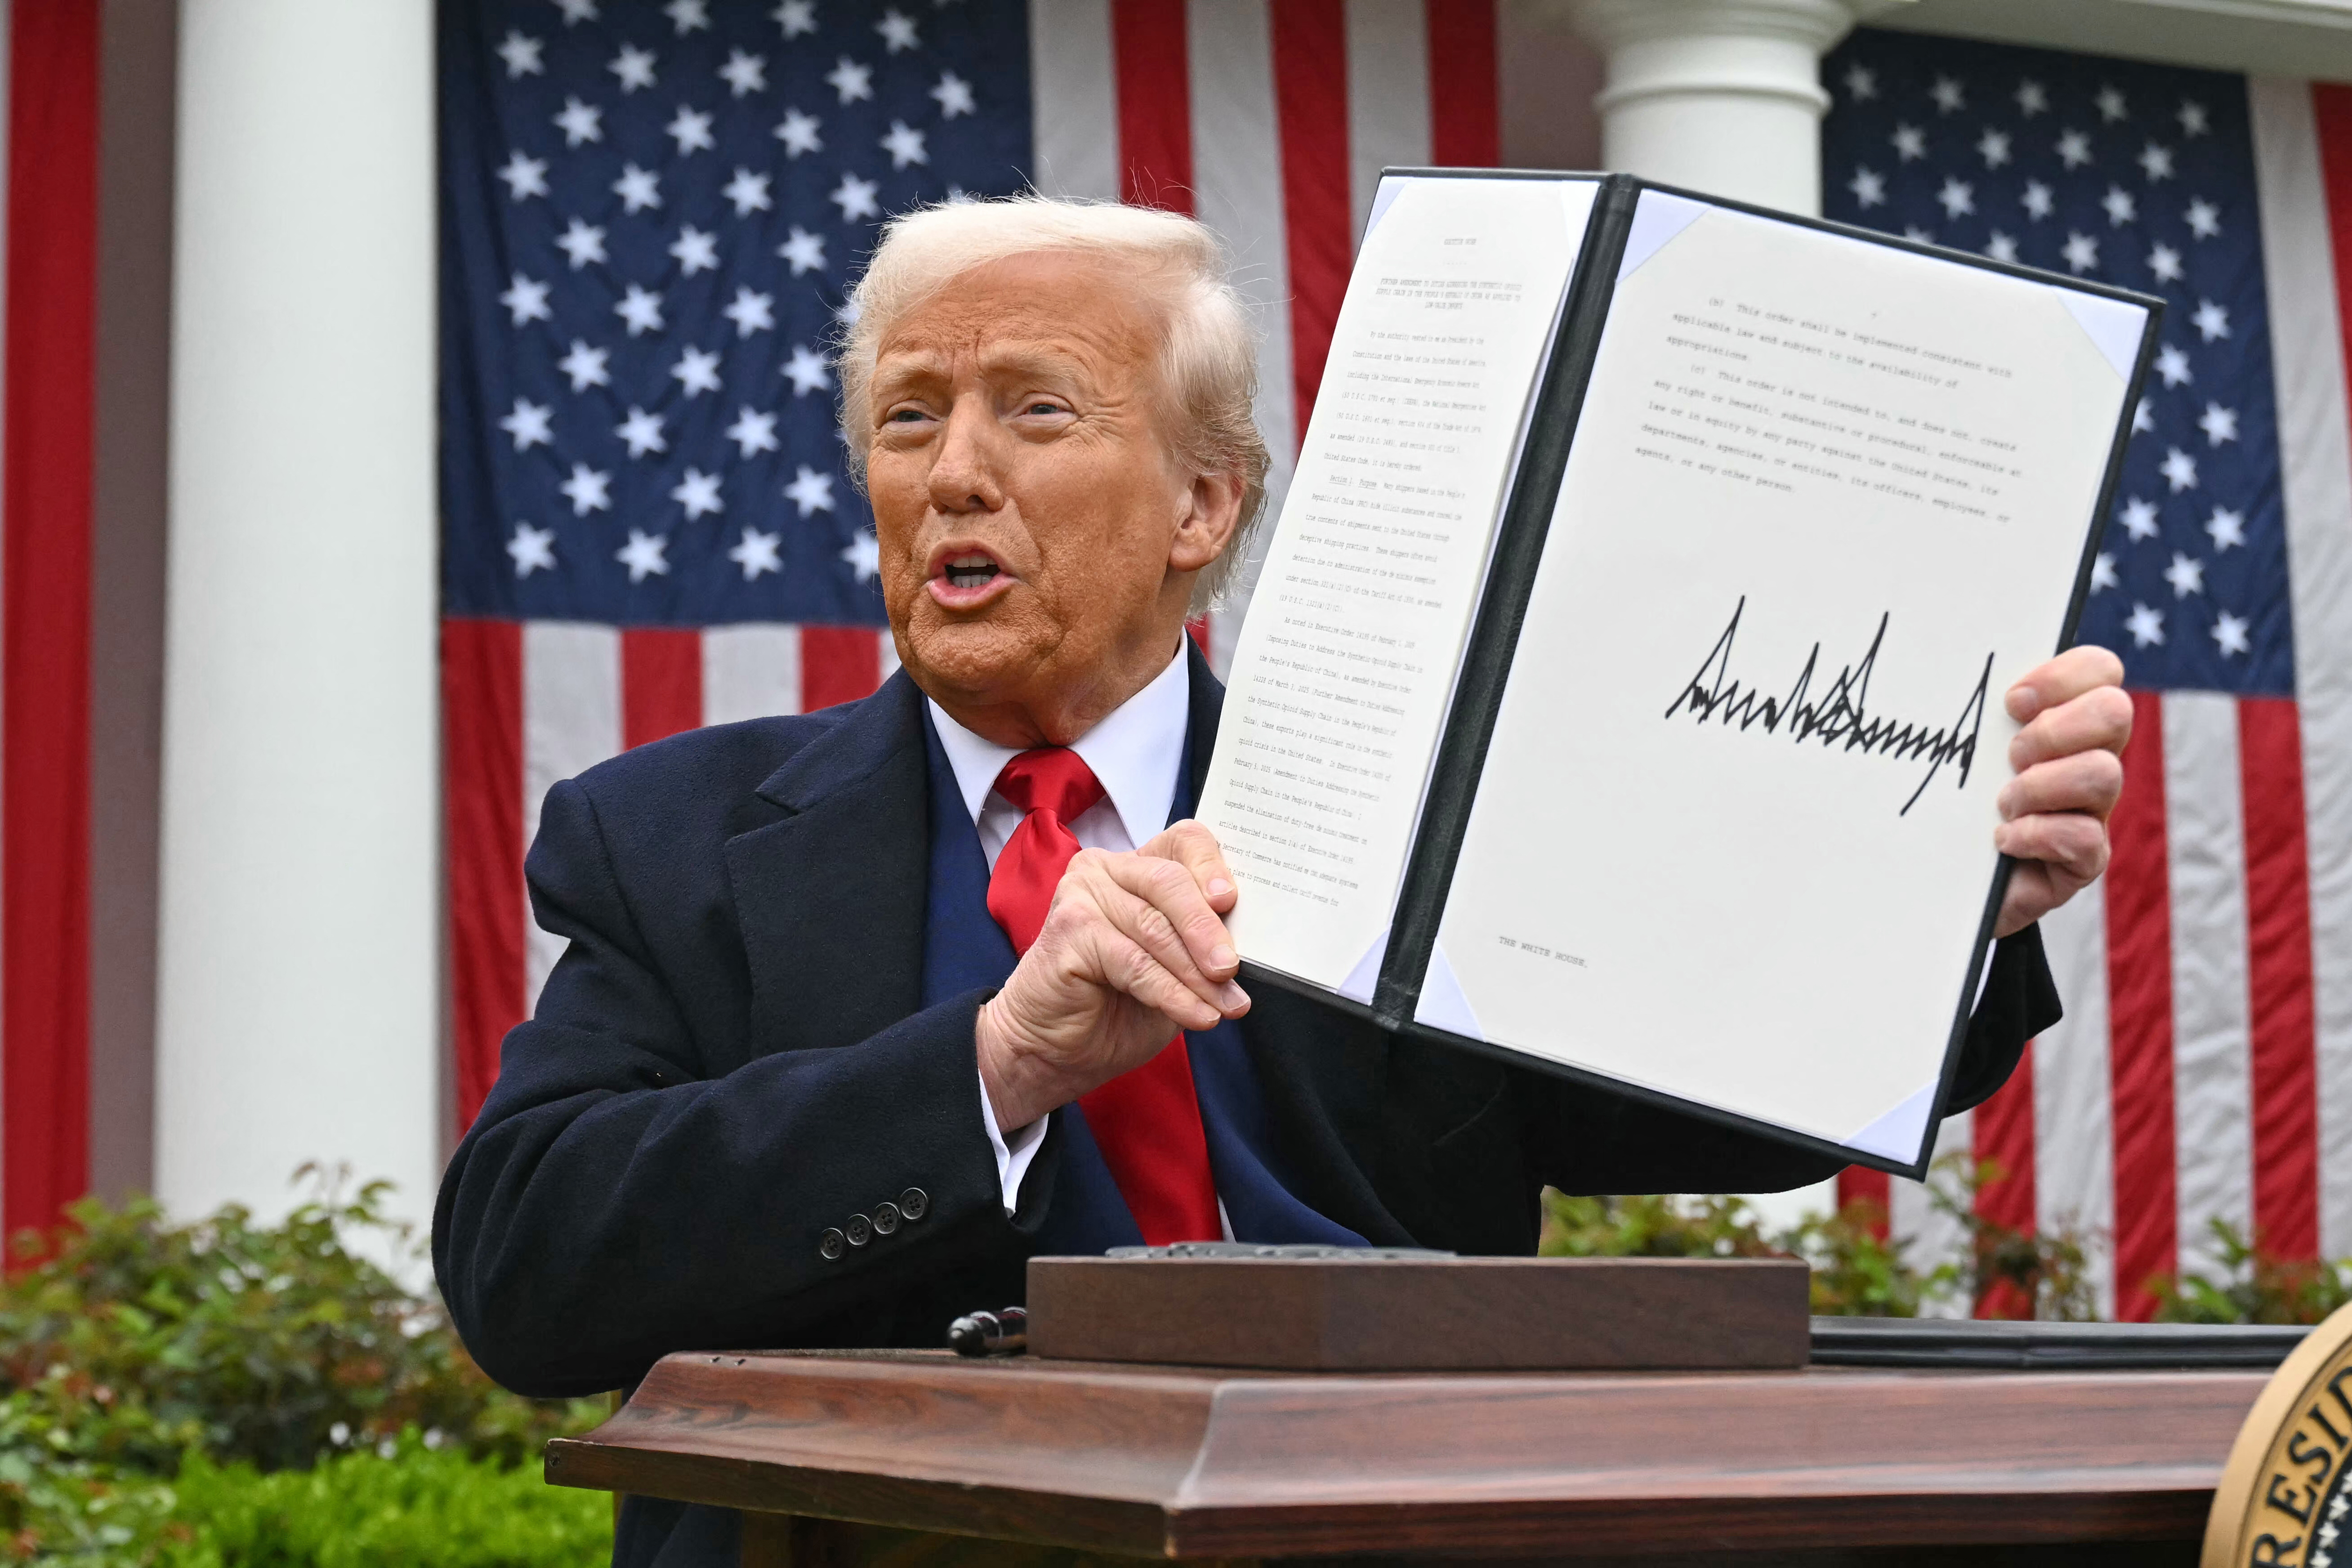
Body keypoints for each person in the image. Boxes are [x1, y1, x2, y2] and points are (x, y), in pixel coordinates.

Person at [433, 197, 2129, 1568]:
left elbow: (1725, 1108)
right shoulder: (668, 841)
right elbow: (528, 1271)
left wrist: (1944, 900)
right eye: (908, 418)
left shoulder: (1429, 817)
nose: (954, 471)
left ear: (1203, 505)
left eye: (1035, 409)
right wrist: (998, 1068)